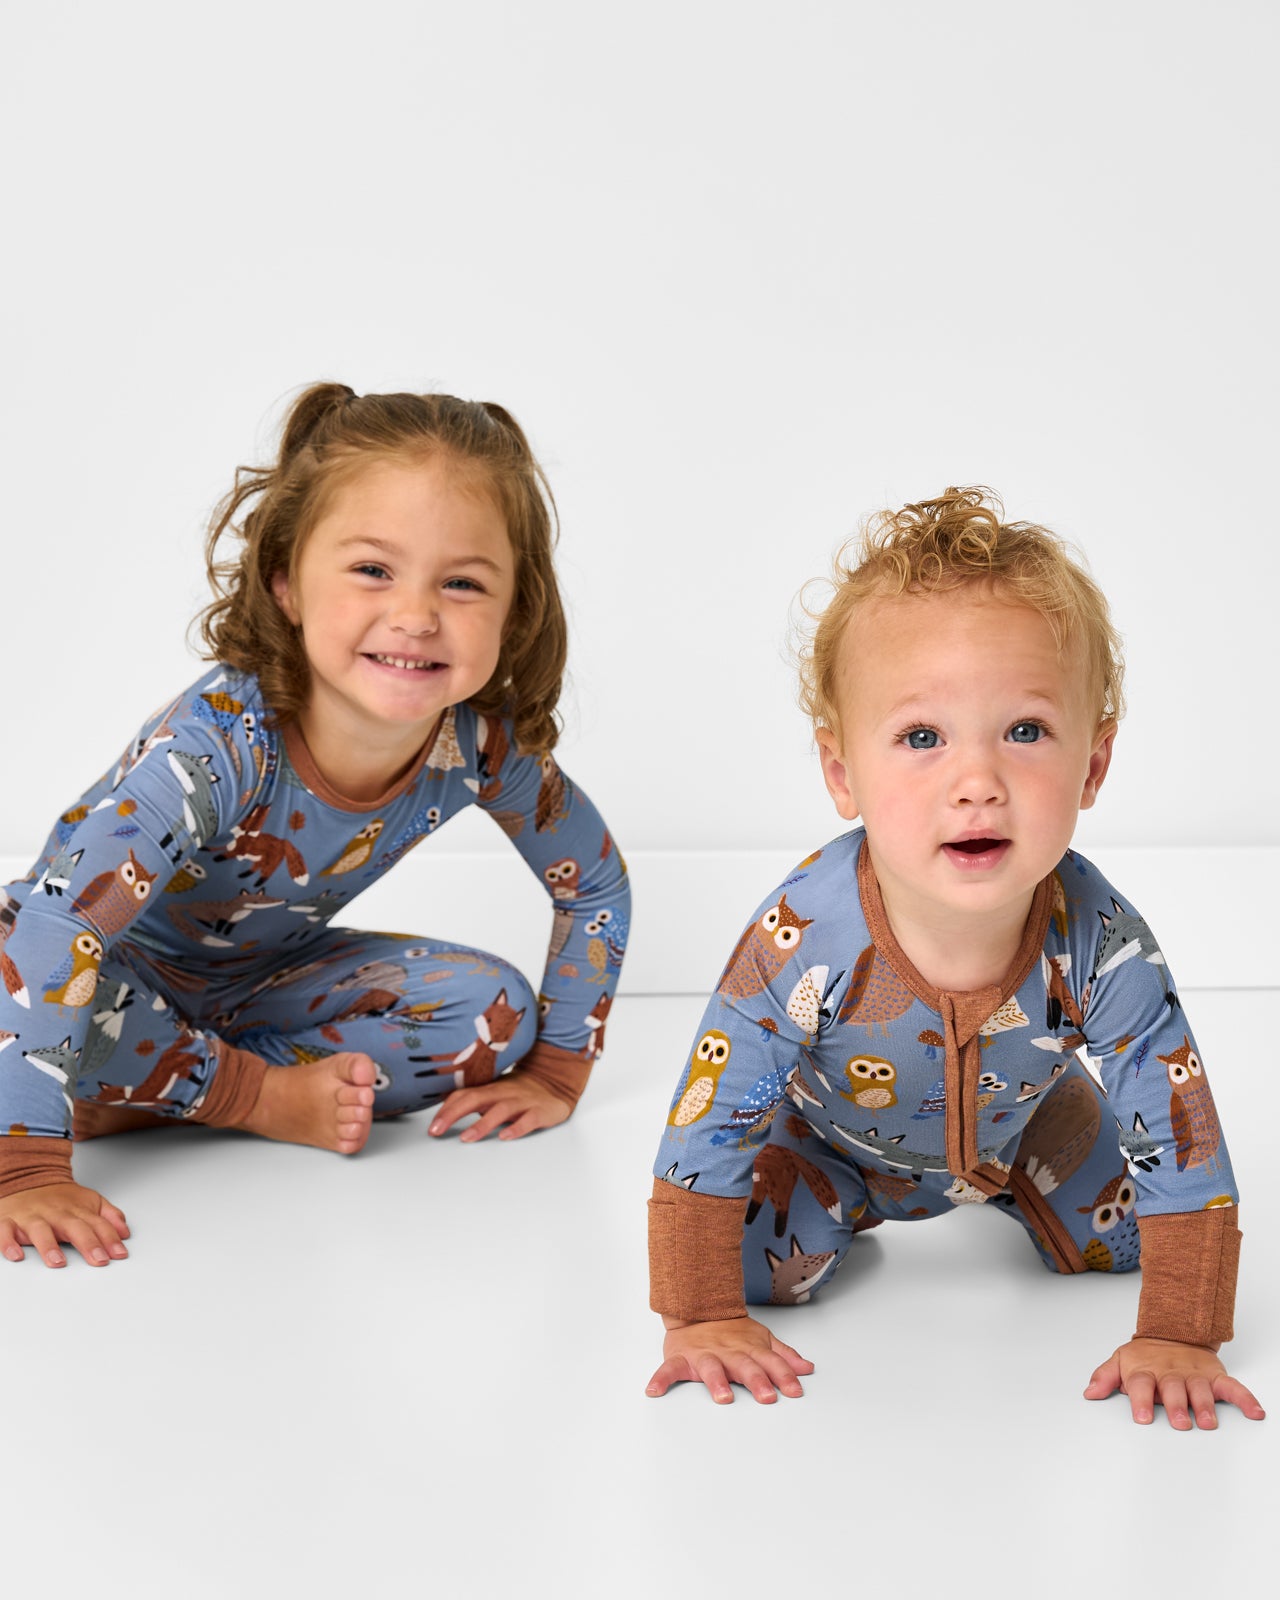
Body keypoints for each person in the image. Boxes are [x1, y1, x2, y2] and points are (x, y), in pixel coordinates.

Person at [645, 486, 1263, 1430]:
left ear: (1092, 768)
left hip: (1028, 1131)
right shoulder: (805, 934)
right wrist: (697, 1315)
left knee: (1135, 1245)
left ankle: (1023, 1178)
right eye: (922, 738)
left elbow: (1178, 1120)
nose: (976, 782)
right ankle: (841, 1212)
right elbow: (713, 1104)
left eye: (1025, 732)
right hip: (835, 1142)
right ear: (842, 772)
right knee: (750, 1274)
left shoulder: (1100, 937)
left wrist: (1183, 1332)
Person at [0, 382, 629, 1269]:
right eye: (373, 570)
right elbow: (54, 929)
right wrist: (25, 1165)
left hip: (261, 983)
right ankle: (239, 1094)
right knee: (12, 950)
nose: (416, 615)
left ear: (515, 611)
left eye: (462, 583)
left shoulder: (478, 748)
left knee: (491, 1011)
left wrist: (561, 1070)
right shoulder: (219, 745)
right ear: (286, 581)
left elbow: (592, 884)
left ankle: (151, 1086)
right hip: (94, 966)